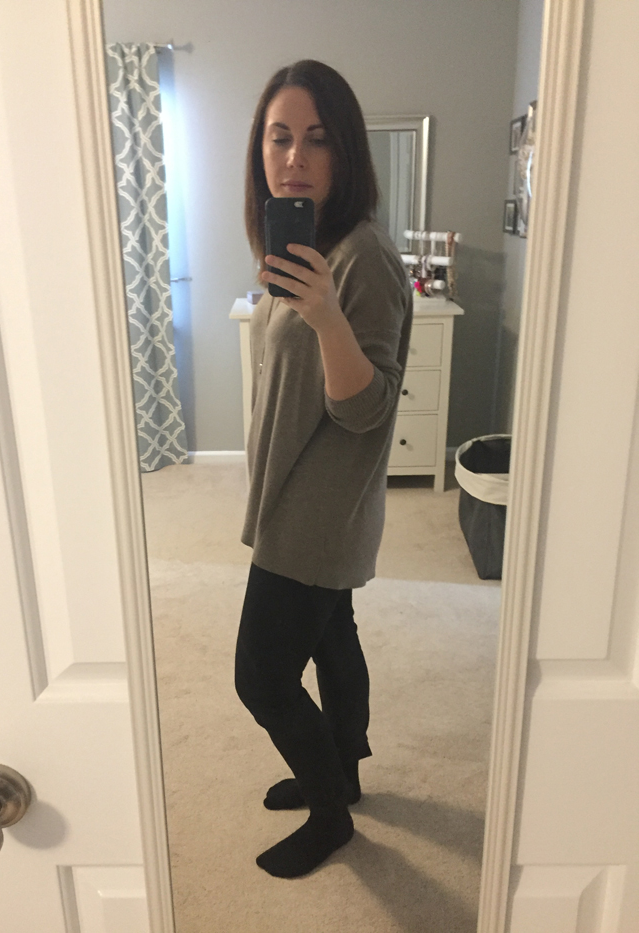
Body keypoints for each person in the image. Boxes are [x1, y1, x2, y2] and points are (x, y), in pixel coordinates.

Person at [235, 59, 413, 879]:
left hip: (317, 511)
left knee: (262, 677)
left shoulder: (362, 257)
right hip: (303, 494)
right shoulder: (309, 246)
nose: (294, 157)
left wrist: (326, 316)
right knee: (333, 635)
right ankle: (341, 770)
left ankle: (331, 815)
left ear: (344, 151)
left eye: (315, 139)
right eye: (279, 137)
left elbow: (367, 408)